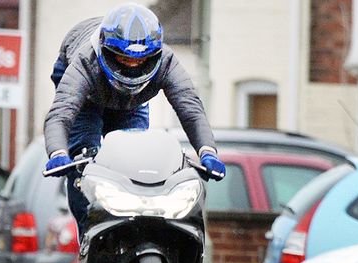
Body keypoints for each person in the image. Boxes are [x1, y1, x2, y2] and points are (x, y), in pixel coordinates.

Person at [44, 3, 226, 237]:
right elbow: (61, 113)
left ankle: (135, 233)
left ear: (155, 55)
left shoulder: (167, 63)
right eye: (123, 58)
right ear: (106, 50)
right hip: (86, 101)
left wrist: (207, 151)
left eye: (140, 61)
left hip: (131, 103)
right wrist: (58, 153)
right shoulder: (85, 62)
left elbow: (190, 109)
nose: (131, 66)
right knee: (84, 157)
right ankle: (88, 237)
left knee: (136, 162)